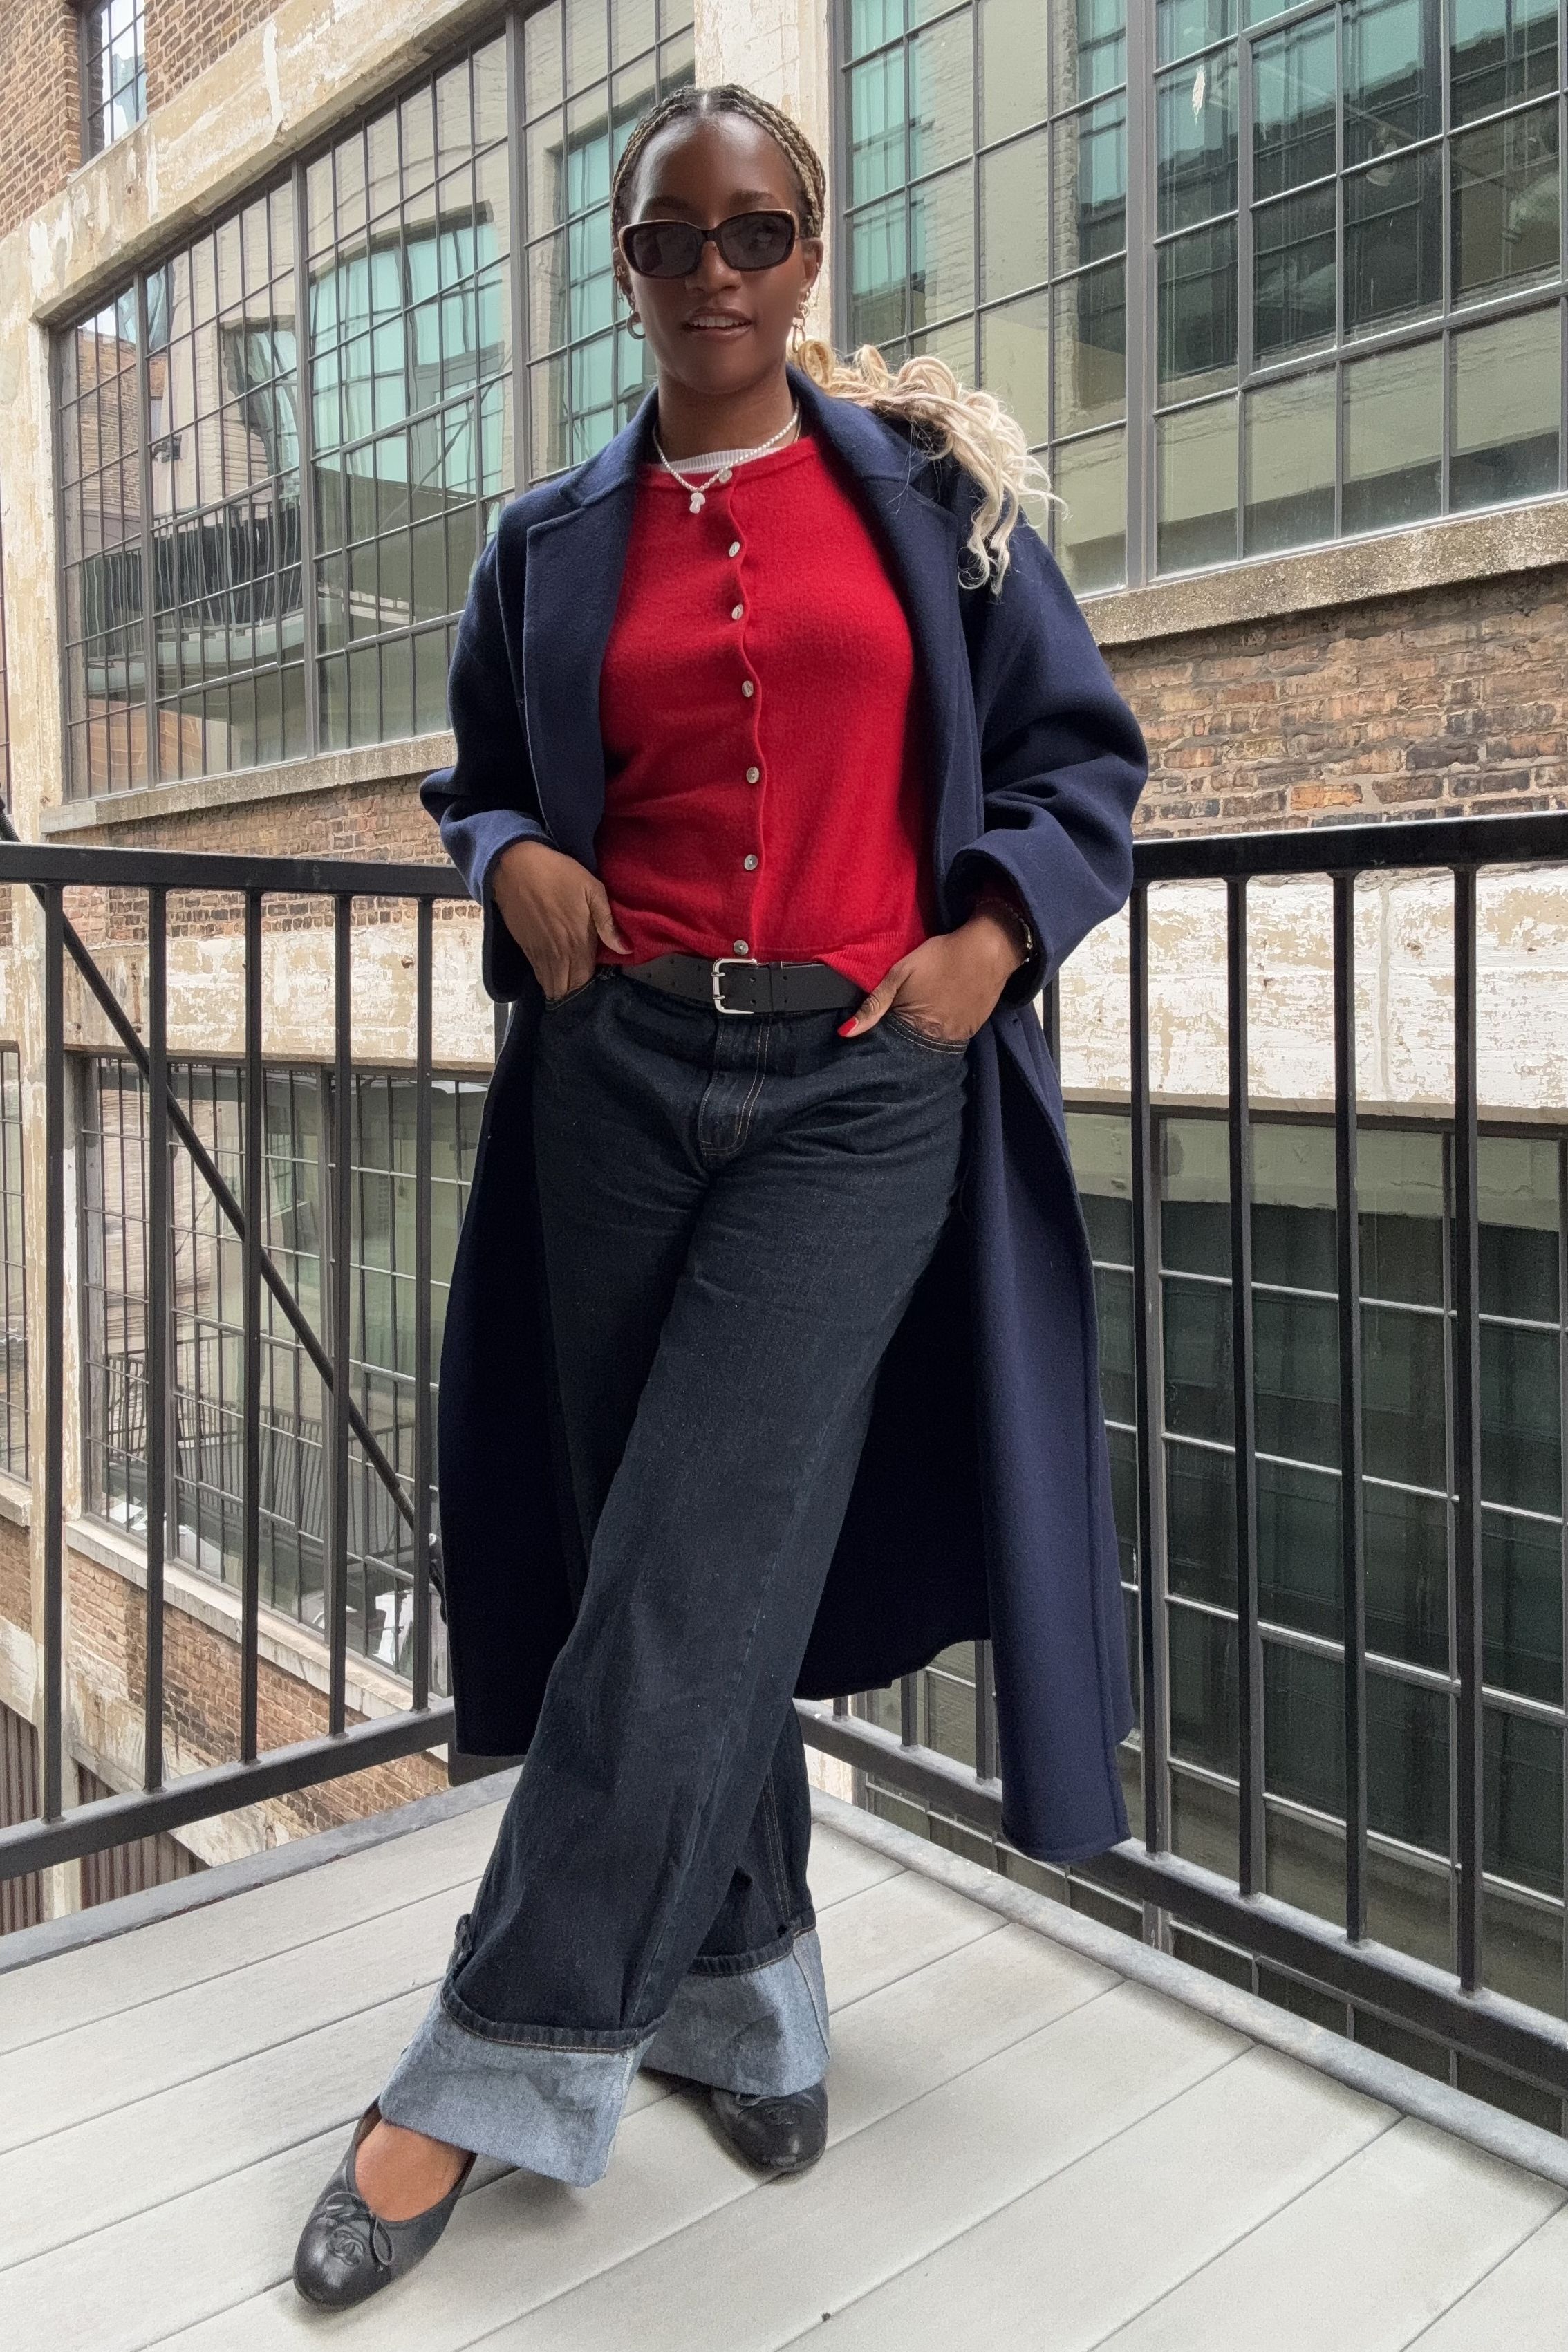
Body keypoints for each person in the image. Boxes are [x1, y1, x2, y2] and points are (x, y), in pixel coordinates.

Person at [292, 80, 1148, 2311]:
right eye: (674, 244)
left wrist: (984, 943)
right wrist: (521, 863)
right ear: (627, 269)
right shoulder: (542, 541)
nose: (718, 279)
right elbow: (476, 781)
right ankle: (748, 1989)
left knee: (690, 1560)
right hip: (617, 1075)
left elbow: (1081, 761)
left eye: (757, 235)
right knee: (650, 1551)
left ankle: (477, 2068)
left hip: (860, 1092)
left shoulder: (934, 499)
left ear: (809, 252)